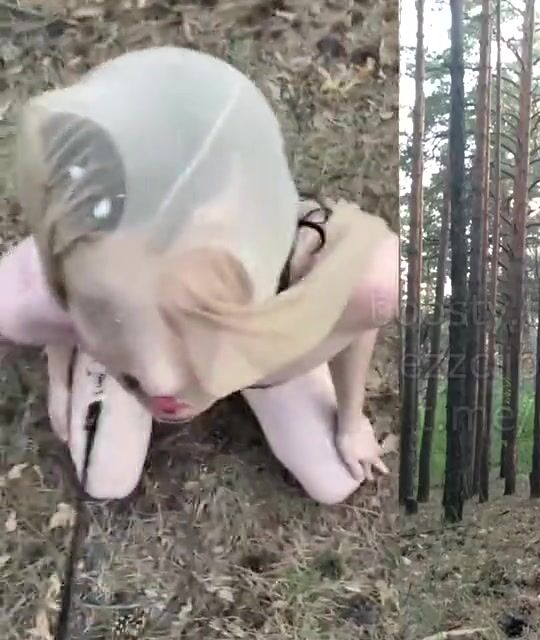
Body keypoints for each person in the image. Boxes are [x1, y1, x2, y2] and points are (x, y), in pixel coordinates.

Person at [0, 47, 397, 504]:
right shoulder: (59, 283)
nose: (162, 385)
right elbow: (61, 284)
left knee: (335, 483)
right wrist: (68, 369)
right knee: (105, 482)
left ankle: (246, 365)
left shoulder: (334, 267)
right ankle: (109, 352)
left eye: (192, 314)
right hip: (128, 336)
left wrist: (351, 421)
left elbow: (357, 319)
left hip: (264, 344)